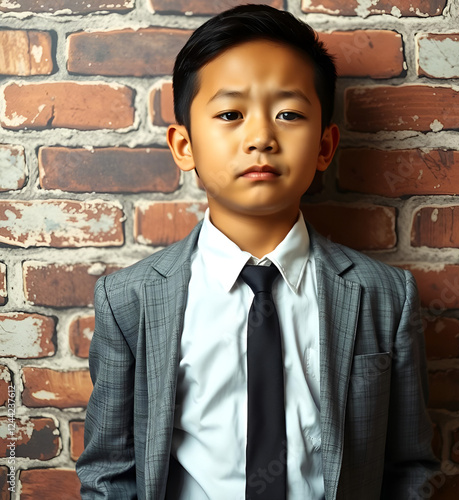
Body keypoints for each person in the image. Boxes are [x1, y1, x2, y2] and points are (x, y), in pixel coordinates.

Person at [76, 4, 438, 499]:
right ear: (184, 146)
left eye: (289, 114)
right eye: (230, 114)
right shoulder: (129, 300)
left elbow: (408, 468)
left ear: (325, 146)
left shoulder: (384, 295)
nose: (261, 138)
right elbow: (108, 473)